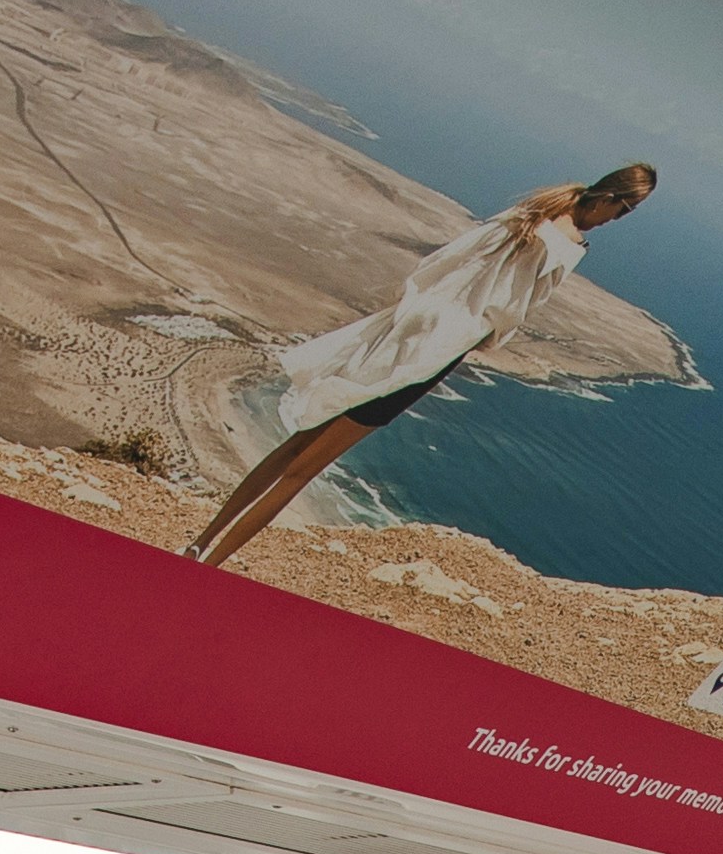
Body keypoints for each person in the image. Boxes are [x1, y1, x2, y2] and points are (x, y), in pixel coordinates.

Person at [189, 164, 655, 571]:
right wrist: (483, 336)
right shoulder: (561, 244)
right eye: (627, 210)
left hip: (410, 332)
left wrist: (415, 316)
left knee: (296, 448)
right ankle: (211, 564)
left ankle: (201, 544)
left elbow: (446, 263)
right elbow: (507, 310)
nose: (620, 220)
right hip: (430, 353)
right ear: (613, 199)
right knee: (303, 470)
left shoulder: (532, 215)